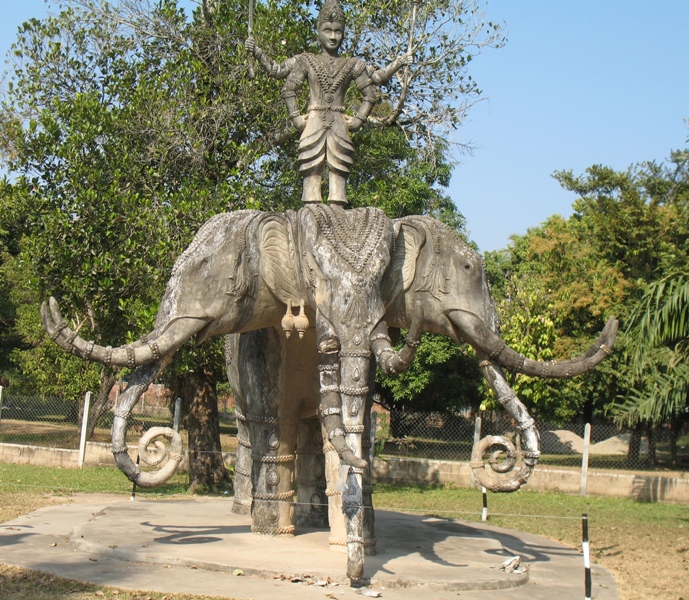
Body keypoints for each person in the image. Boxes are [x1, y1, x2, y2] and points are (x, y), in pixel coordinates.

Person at [245, 0, 412, 206]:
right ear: (318, 32)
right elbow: (280, 76)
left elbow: (373, 86)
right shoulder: (306, 60)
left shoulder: (352, 64)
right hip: (313, 123)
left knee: (339, 178)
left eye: (338, 31)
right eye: (328, 30)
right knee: (311, 177)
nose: (333, 36)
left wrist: (399, 62)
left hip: (339, 125)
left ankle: (338, 224)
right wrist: (257, 52)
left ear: (343, 33)